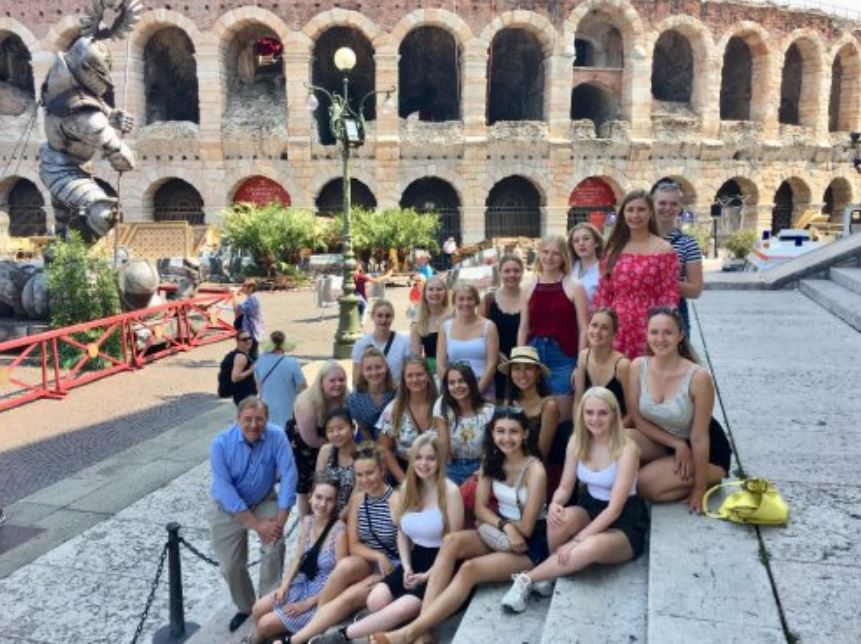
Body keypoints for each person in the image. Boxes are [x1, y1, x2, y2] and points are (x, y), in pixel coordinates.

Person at [369, 408, 548, 644]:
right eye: (500, 431)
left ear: (525, 434)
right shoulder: (491, 460)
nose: (506, 438)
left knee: (469, 569)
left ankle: (409, 632)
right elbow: (480, 508)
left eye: (513, 431)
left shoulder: (535, 470)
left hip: (529, 545)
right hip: (500, 531)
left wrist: (503, 525)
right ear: (492, 433)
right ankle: (425, 630)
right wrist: (504, 525)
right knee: (451, 540)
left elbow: (526, 527)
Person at [500, 386, 647, 612]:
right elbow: (565, 487)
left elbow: (614, 509)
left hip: (624, 520)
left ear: (614, 414)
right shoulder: (577, 441)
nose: (595, 419)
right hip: (589, 507)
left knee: (589, 546)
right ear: (582, 414)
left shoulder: (627, 448)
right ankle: (552, 572)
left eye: (602, 413)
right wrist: (555, 504)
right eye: (589, 412)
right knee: (558, 521)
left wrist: (577, 540)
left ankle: (527, 579)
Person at [319, 435, 464, 643]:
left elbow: (454, 543)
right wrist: (406, 566)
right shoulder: (408, 489)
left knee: (402, 607)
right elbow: (402, 532)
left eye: (430, 458)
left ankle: (343, 635)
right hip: (415, 557)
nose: (423, 464)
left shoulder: (450, 492)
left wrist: (427, 576)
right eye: (418, 458)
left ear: (440, 460)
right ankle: (394, 621)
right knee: (375, 600)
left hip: (443, 562)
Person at [290, 443, 399, 644]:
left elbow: (408, 547)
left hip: (392, 565)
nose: (365, 480)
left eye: (370, 473)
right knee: (343, 567)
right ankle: (316, 624)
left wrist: (388, 563)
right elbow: (353, 545)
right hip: (367, 557)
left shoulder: (397, 501)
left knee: (348, 597)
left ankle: (298, 639)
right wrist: (377, 555)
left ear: (382, 470)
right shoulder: (357, 500)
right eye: (359, 475)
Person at [627, 307, 732, 513]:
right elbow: (638, 421)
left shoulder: (699, 377)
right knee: (619, 441)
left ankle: (708, 478)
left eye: (668, 332)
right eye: (654, 332)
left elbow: (700, 438)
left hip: (703, 449)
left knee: (645, 486)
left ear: (680, 336)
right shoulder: (638, 366)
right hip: (666, 442)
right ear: (646, 334)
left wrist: (699, 490)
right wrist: (677, 444)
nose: (660, 339)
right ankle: (666, 469)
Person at [208, 397, 298, 633]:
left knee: (274, 545)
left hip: (262, 498)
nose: (254, 425)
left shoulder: (277, 436)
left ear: (267, 420)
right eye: (247, 419)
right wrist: (256, 525)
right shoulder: (220, 445)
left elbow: (289, 474)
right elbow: (225, 489)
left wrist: (279, 521)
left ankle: (267, 605)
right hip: (227, 507)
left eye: (259, 419)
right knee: (231, 566)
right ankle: (247, 607)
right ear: (237, 419)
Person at [249, 474, 348, 643]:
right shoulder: (308, 522)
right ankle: (262, 638)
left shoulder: (339, 532)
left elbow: (341, 577)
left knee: (265, 624)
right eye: (319, 497)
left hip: (323, 594)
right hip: (304, 583)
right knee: (258, 608)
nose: (322, 504)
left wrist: (308, 603)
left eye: (329, 500)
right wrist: (284, 585)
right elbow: (297, 558)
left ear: (335, 502)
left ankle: (256, 639)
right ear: (310, 497)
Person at [594, 190, 680, 360]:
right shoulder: (613, 250)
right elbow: (604, 294)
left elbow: (669, 296)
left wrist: (663, 332)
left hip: (650, 327)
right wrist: (599, 327)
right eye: (630, 210)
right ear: (623, 214)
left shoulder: (664, 249)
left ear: (650, 212)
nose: (635, 215)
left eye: (641, 209)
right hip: (616, 326)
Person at [518, 235, 589, 420]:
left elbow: (584, 327)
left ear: (563, 256)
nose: (549, 257)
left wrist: (580, 364)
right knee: (532, 414)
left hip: (563, 356)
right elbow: (523, 327)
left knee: (561, 416)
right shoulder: (527, 286)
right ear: (539, 253)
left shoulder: (575, 286)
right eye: (545, 252)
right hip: (533, 355)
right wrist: (520, 359)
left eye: (555, 253)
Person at [290, 361, 349, 517]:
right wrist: (336, 446)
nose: (338, 384)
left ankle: (327, 515)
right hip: (305, 444)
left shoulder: (345, 398)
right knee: (306, 486)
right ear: (322, 382)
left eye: (341, 380)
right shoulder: (307, 403)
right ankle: (305, 521)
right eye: (332, 380)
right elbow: (310, 439)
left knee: (332, 482)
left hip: (332, 440)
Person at [652, 182, 704, 338]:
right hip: (637, 310)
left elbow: (695, 289)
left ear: (680, 207)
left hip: (674, 311)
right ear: (652, 204)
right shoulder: (637, 240)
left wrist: (657, 281)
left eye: (673, 204)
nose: (667, 208)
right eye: (662, 203)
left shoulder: (688, 243)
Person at [377, 356, 439, 483]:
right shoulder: (393, 409)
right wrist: (403, 481)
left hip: (438, 471)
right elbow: (384, 448)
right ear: (404, 380)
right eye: (410, 376)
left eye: (419, 374)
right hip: (406, 470)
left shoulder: (441, 406)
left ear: (428, 376)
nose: (415, 379)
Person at [433, 363, 495, 486]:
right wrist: (440, 475)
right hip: (453, 466)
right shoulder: (442, 405)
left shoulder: (489, 410)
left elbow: (491, 448)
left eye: (462, 381)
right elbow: (443, 446)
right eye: (452, 383)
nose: (457, 386)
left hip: (481, 465)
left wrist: (484, 470)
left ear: (471, 383)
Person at [437, 282, 499, 399]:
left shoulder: (489, 326)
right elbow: (440, 364)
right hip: (454, 388)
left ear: (476, 301)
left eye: (470, 299)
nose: (465, 303)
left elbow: (492, 364)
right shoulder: (445, 327)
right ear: (454, 302)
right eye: (461, 299)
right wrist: (452, 387)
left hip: (482, 386)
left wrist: (476, 393)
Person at [499, 346, 560, 464]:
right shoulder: (509, 402)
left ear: (538, 372)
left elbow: (542, 453)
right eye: (516, 368)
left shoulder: (549, 406)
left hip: (536, 468)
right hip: (508, 464)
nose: (522, 374)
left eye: (528, 368)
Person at [572, 308, 631, 427]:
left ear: (614, 335)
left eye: (605, 328)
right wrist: (579, 430)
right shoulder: (583, 356)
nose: (597, 331)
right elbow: (578, 401)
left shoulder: (622, 365)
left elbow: (632, 414)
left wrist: (609, 434)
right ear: (588, 328)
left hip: (618, 428)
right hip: (591, 426)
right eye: (594, 325)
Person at [482, 253, 524, 400]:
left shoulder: (530, 297)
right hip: (496, 362)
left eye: (516, 270)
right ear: (500, 273)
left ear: (522, 272)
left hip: (523, 363)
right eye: (507, 271)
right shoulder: (489, 299)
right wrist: (496, 352)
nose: (512, 275)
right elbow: (480, 331)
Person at [352, 300, 412, 386]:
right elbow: (356, 378)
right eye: (379, 316)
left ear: (393, 317)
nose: (384, 320)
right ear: (372, 316)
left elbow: (409, 373)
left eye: (388, 316)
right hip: (370, 392)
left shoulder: (404, 342)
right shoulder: (361, 344)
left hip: (396, 391)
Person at [254, 330, 307, 430]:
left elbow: (258, 387)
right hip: (287, 413)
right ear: (284, 345)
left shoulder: (259, 361)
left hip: (266, 413)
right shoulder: (292, 363)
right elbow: (303, 389)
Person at [315, 409, 358, 518]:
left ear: (353, 428)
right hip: (325, 510)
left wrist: (337, 521)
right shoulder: (326, 451)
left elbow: (356, 498)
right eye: (330, 430)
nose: (336, 434)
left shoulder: (362, 456)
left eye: (340, 428)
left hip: (354, 514)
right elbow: (318, 485)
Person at [348, 347, 397, 440]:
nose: (374, 373)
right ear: (362, 372)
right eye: (368, 369)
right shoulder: (354, 398)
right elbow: (363, 428)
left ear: (386, 368)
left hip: (393, 438)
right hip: (366, 439)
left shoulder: (397, 393)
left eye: (378, 367)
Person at [410, 275, 451, 375]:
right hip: (432, 373)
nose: (435, 293)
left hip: (454, 370)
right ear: (424, 293)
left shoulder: (455, 316)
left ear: (445, 292)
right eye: (431, 289)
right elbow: (417, 358)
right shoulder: (418, 323)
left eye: (439, 289)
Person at [567, 222, 605, 307]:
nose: (581, 243)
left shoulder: (605, 270)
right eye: (576, 241)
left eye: (586, 238)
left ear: (596, 242)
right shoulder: (567, 269)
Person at [235, 279, 264, 359]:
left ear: (251, 288)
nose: (242, 287)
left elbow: (237, 308)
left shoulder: (253, 299)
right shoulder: (250, 298)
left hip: (253, 332)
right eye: (243, 285)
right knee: (251, 354)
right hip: (251, 331)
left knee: (253, 355)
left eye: (245, 286)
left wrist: (234, 295)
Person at [230, 331, 257, 406]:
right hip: (244, 396)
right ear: (238, 342)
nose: (248, 341)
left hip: (248, 394)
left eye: (250, 338)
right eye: (244, 339)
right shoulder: (241, 357)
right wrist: (251, 370)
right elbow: (235, 378)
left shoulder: (247, 353)